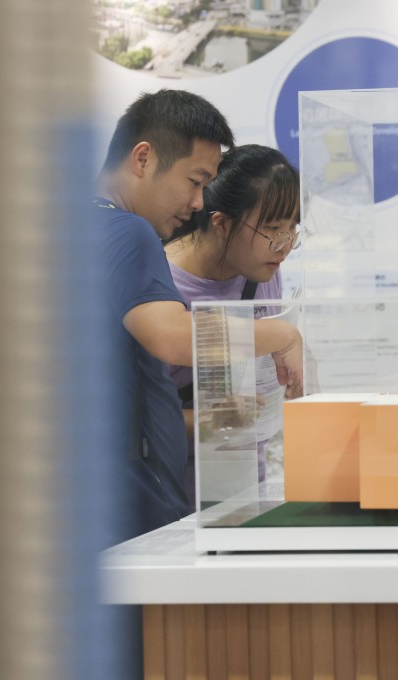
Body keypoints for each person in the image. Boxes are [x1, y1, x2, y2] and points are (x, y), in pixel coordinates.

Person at [94, 90, 304, 544]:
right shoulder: (128, 231)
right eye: (194, 181)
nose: (196, 204)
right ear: (143, 158)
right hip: (132, 502)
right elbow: (171, 338)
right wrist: (281, 333)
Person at [163, 144, 302, 501]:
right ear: (222, 223)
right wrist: (207, 422)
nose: (284, 246)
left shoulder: (261, 270)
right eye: (272, 229)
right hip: (170, 500)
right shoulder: (161, 284)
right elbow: (132, 421)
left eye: (292, 230)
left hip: (242, 489)